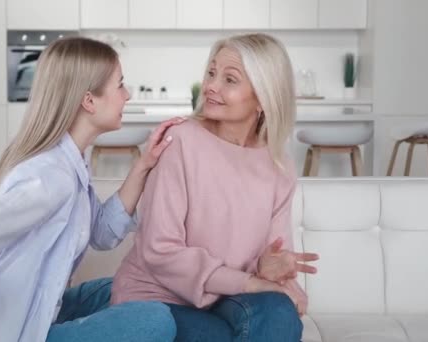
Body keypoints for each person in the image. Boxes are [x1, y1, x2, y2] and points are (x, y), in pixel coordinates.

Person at [0, 37, 183, 342]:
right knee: (155, 319)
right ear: (89, 101)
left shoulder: (71, 162)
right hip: (15, 334)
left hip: (40, 313)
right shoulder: (48, 179)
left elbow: (103, 233)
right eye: (120, 85)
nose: (127, 95)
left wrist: (144, 165)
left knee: (125, 286)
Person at [111, 33, 319, 341]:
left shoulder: (279, 165)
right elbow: (160, 250)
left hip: (226, 296)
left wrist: (275, 271)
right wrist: (250, 282)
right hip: (158, 297)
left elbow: (272, 256)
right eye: (211, 73)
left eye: (229, 79)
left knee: (279, 312)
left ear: (263, 97)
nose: (211, 86)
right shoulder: (179, 140)